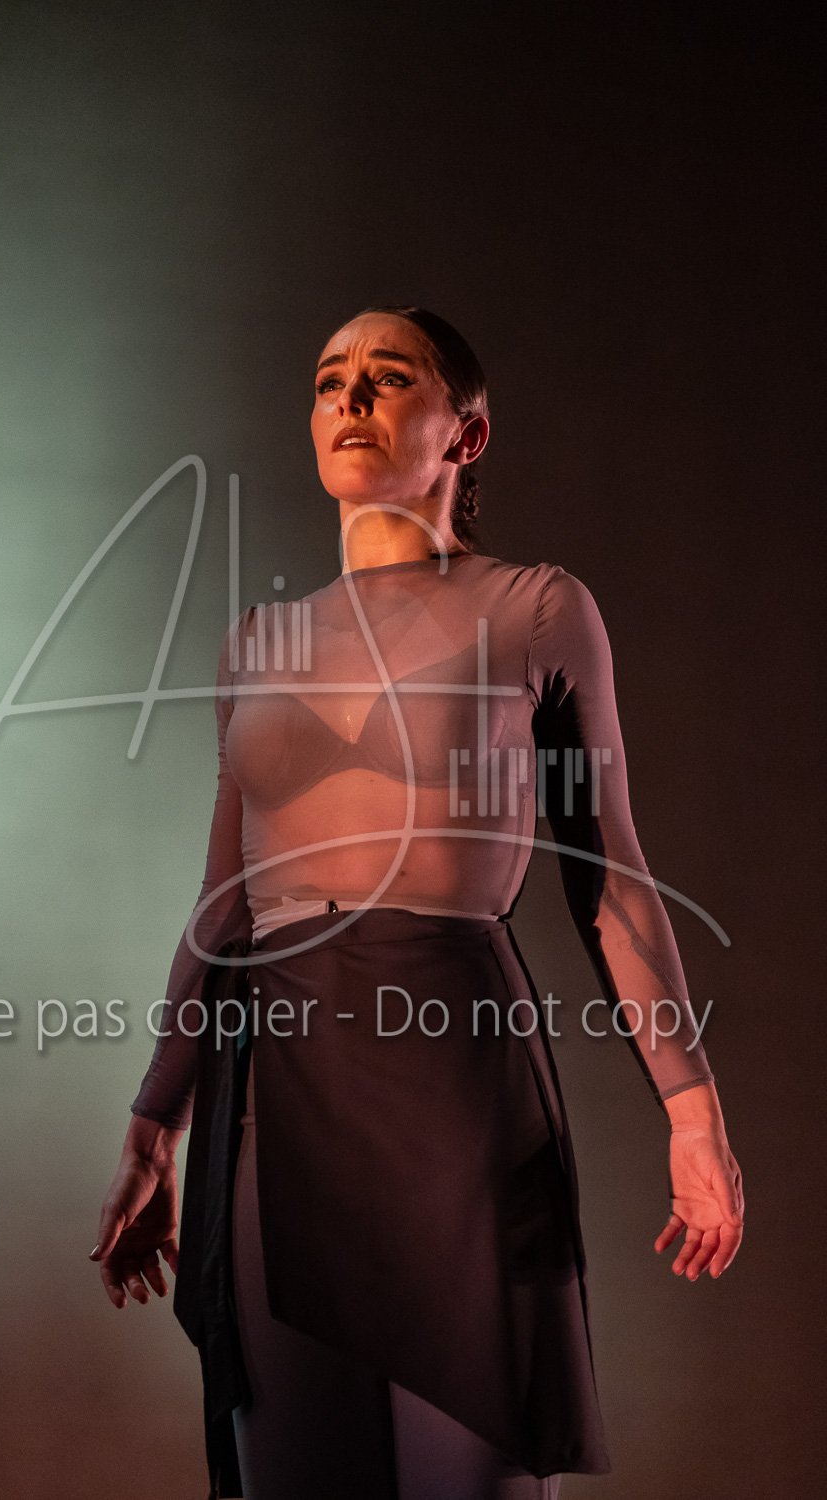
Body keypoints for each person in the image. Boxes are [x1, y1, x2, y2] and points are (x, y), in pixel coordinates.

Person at [90, 305, 745, 1500]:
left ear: (465, 434)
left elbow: (608, 877)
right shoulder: (258, 642)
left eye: (387, 378)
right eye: (328, 380)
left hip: (457, 1090)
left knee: (475, 1468)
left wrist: (690, 1110)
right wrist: (152, 1127)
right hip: (272, 1112)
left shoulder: (537, 609)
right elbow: (224, 904)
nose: (348, 399)